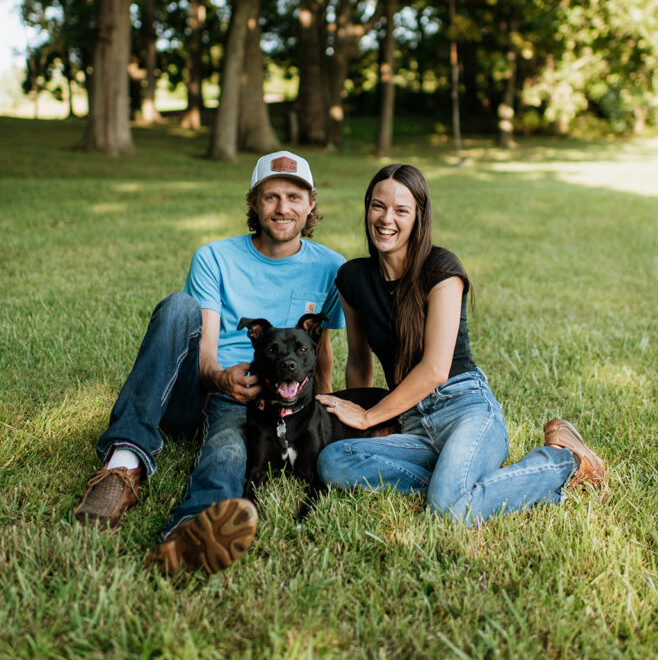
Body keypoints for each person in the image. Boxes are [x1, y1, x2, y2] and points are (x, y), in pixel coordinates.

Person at [75, 151, 345, 573]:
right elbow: (205, 356)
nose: (283, 208)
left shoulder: (330, 267)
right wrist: (221, 378)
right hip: (211, 387)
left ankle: (187, 531)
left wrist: (324, 407)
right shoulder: (214, 257)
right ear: (254, 203)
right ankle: (122, 463)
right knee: (179, 306)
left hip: (269, 401)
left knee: (228, 449)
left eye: (294, 196)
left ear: (311, 204)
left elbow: (321, 350)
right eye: (271, 197)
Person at [316, 164, 607, 523]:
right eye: (378, 206)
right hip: (413, 424)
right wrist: (363, 426)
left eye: (401, 210)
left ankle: (565, 461)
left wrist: (370, 415)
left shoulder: (441, 269)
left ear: (418, 218)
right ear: (367, 208)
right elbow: (359, 361)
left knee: (448, 511)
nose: (386, 218)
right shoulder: (353, 277)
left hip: (465, 408)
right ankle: (460, 482)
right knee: (334, 460)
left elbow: (436, 368)